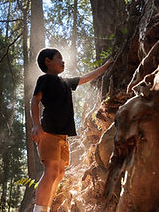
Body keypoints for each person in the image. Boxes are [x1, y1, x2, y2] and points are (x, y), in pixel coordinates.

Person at [31, 48, 114, 212]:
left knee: (60, 172)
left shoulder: (65, 82)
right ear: (48, 61)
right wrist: (36, 125)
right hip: (48, 131)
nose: (63, 61)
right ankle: (39, 209)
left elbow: (84, 78)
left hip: (62, 135)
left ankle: (45, 208)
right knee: (51, 170)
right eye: (58, 58)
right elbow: (34, 101)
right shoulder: (45, 79)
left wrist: (105, 67)